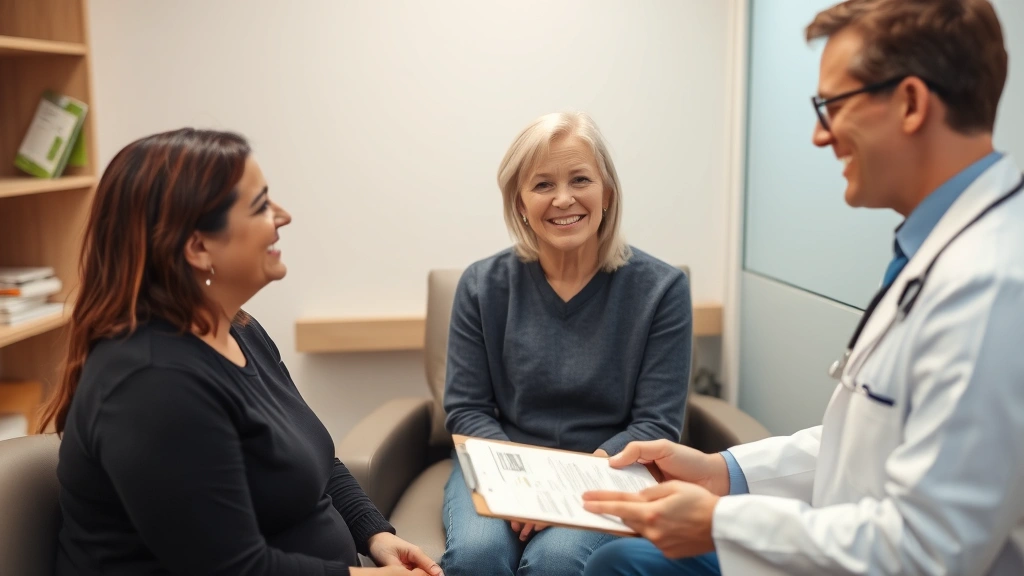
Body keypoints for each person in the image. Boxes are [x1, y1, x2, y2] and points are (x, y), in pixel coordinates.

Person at [581, 0, 1024, 575]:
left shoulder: (992, 287)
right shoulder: (939, 249)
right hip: (840, 537)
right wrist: (723, 473)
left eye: (832, 107)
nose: (820, 136)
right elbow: (862, 439)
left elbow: (929, 549)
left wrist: (719, 521)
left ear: (911, 103)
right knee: (622, 561)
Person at [42, 128, 442, 576]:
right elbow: (233, 570)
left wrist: (375, 535)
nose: (282, 216)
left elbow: (315, 461)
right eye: (261, 206)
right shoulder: (153, 383)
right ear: (197, 247)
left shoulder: (239, 331)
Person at [440, 111, 693, 576]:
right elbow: (467, 408)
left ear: (607, 194)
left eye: (580, 180)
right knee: (477, 558)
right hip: (500, 465)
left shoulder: (662, 289)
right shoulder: (481, 284)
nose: (563, 199)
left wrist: (563, 487)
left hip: (609, 470)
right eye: (542, 185)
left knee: (557, 562)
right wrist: (522, 487)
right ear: (519, 202)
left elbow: (656, 423)